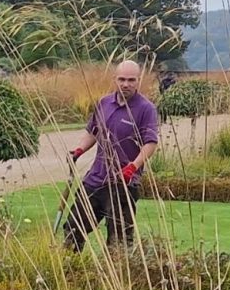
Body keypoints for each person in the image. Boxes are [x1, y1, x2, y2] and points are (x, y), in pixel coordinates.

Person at [62, 59, 160, 251]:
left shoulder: (146, 109)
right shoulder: (104, 103)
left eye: (131, 80)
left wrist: (133, 167)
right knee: (73, 228)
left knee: (119, 240)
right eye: (122, 79)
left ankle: (119, 276)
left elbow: (150, 143)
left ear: (138, 81)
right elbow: (93, 132)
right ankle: (68, 271)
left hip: (123, 184)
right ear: (115, 79)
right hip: (95, 179)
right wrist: (79, 150)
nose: (126, 84)